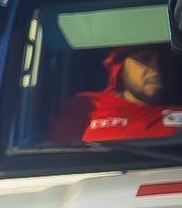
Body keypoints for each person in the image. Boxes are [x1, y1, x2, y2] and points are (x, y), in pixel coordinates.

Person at [51, 44, 182, 142]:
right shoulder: (85, 106)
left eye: (162, 61)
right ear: (120, 68)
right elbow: (58, 162)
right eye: (145, 59)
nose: (156, 69)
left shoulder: (178, 112)